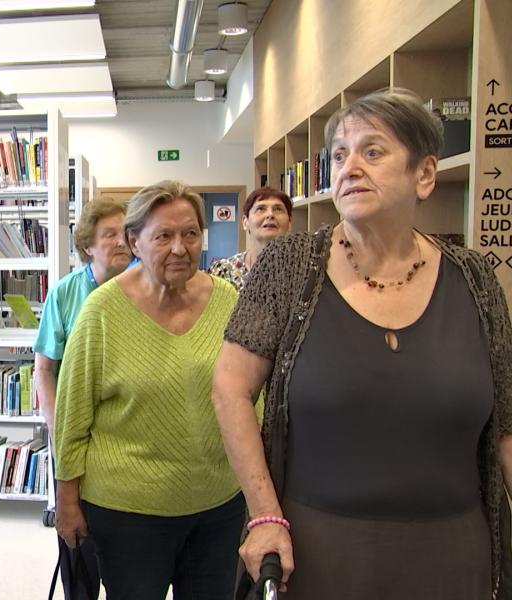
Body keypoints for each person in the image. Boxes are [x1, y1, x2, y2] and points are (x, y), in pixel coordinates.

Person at [212, 87, 512, 599]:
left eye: (373, 152)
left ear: (425, 174)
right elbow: (229, 389)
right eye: (340, 155)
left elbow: (506, 421)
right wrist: (264, 513)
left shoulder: (475, 278)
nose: (350, 167)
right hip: (319, 553)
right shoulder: (290, 264)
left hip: (454, 554)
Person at [54, 180, 246, 600]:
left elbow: (250, 400)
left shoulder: (227, 300)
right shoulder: (101, 311)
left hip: (218, 505)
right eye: (163, 236)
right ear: (134, 241)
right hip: (129, 513)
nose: (180, 248)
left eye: (190, 234)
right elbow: (72, 415)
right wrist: (67, 502)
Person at [33, 195, 132, 600]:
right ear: (88, 245)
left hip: (127, 434)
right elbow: (44, 368)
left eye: (127, 232)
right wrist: (59, 429)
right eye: (110, 234)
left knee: (127, 546)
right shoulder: (65, 294)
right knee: (78, 540)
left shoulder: (146, 288)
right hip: (75, 430)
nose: (121, 241)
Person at [207, 187, 292, 290]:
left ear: (290, 223)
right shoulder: (224, 272)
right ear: (245, 222)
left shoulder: (305, 271)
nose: (270, 215)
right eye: (261, 209)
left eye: (278, 209)